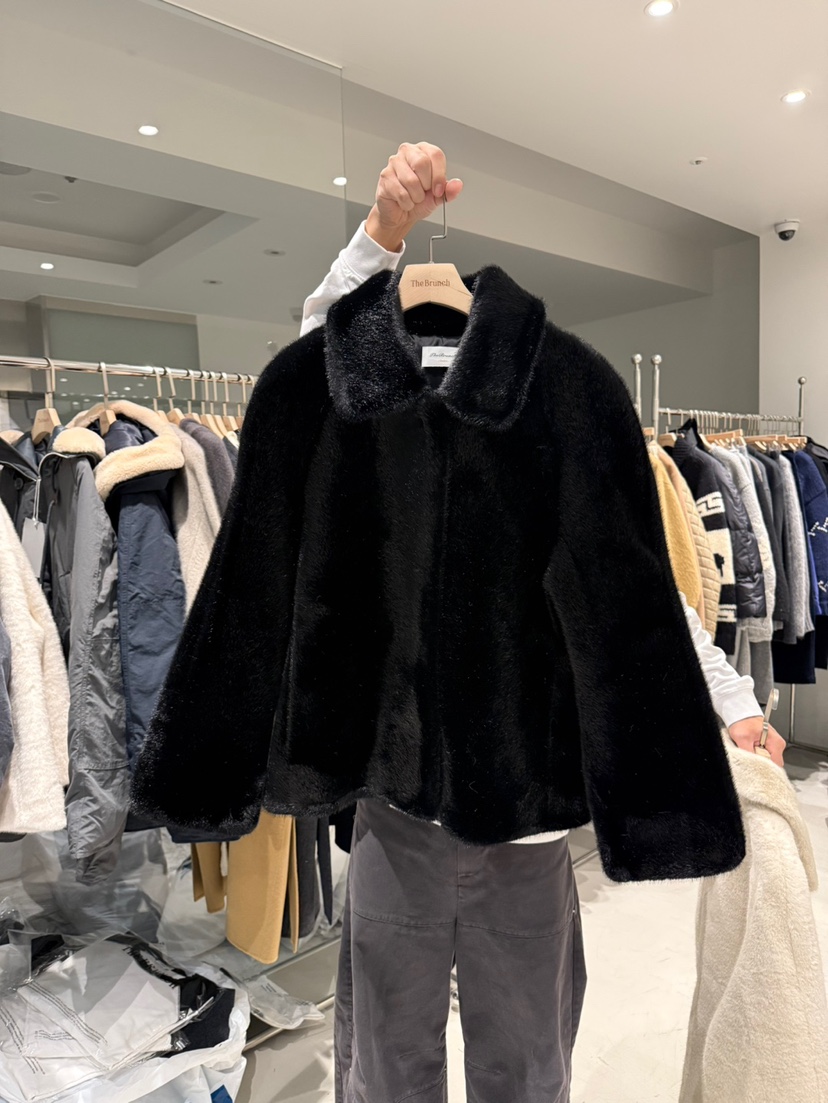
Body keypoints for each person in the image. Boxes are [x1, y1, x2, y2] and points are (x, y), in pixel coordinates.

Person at [299, 143, 787, 1102]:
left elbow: (634, 598)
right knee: (385, 1068)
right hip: (395, 812)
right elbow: (319, 354)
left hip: (524, 828)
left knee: (525, 1068)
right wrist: (381, 234)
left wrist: (731, 700)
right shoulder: (377, 428)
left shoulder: (555, 415)